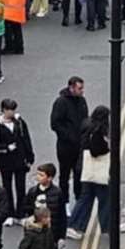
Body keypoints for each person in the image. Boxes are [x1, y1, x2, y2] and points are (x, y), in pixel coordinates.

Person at [66, 106, 111, 238]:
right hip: (95, 170)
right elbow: (96, 150)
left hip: (85, 168)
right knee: (104, 198)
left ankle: (75, 225)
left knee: (86, 198)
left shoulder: (88, 125)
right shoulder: (97, 131)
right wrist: (108, 149)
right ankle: (109, 227)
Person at [0, 99, 34, 225]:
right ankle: (9, 214)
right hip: (5, 161)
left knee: (20, 187)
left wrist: (30, 157)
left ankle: (20, 214)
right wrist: (6, 148)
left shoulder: (20, 122)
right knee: (7, 187)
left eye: (13, 109)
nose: (11, 112)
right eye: (8, 110)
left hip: (20, 160)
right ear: (3, 110)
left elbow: (26, 139)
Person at [49, 76, 88, 206]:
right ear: (71, 88)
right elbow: (55, 124)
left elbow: (85, 119)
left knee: (79, 174)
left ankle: (78, 199)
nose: (82, 91)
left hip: (80, 146)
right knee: (64, 176)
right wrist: (69, 136)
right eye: (79, 88)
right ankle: (64, 203)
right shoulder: (61, 102)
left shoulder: (82, 101)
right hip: (65, 147)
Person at [22, 162, 67, 245]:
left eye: (41, 175)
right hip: (35, 232)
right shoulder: (32, 191)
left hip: (52, 234)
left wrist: (61, 237)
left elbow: (62, 216)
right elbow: (26, 209)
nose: (38, 177)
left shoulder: (57, 193)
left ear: (50, 178)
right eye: (37, 174)